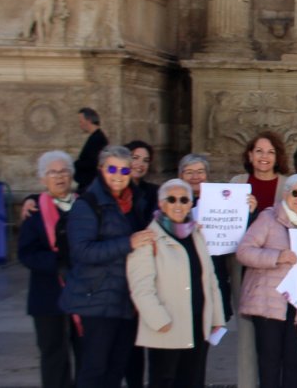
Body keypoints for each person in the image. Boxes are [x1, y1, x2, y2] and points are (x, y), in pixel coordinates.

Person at [60, 146, 154, 388]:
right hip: (97, 298)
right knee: (94, 369)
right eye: (112, 168)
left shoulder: (135, 201)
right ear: (101, 169)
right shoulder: (88, 204)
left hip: (125, 298)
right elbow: (82, 251)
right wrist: (128, 243)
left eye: (124, 169)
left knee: (116, 368)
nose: (118, 175)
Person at [127, 179, 225, 388]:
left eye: (184, 199)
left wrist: (217, 317)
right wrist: (159, 320)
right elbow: (141, 287)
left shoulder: (197, 235)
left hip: (197, 323)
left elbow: (210, 279)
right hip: (167, 326)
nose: (178, 204)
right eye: (172, 199)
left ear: (191, 204)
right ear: (162, 204)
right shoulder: (149, 238)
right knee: (164, 380)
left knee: (192, 380)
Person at [237, 174, 297, 388]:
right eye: (295, 193)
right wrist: (277, 257)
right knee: (270, 366)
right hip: (269, 305)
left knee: (295, 365)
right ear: (286, 193)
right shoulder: (268, 218)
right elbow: (244, 252)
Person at [18, 151, 80, 388]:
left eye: (64, 170)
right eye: (52, 172)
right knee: (53, 353)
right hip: (47, 294)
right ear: (43, 179)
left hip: (82, 290)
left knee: (85, 350)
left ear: (71, 175)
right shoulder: (34, 213)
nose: (59, 176)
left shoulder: (83, 205)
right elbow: (27, 253)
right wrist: (58, 263)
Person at [178, 154, 234, 319]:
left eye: (200, 171)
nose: (195, 177)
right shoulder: (173, 201)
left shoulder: (221, 200)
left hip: (213, 271)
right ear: (180, 176)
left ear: (207, 175)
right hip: (183, 273)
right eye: (189, 172)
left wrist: (248, 210)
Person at [123, 139, 157, 388]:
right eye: (135, 157)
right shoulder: (109, 193)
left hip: (148, 271)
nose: (140, 164)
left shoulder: (153, 192)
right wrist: (33, 197)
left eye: (145, 160)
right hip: (121, 273)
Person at [230, 132, 289, 215]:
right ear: (250, 156)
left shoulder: (288, 186)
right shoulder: (237, 182)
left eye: (271, 152)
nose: (264, 156)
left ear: (277, 158)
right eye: (259, 151)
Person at [74, 107, 109, 191]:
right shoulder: (96, 137)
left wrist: (76, 163)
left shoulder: (97, 138)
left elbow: (92, 162)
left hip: (90, 184)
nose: (80, 124)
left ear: (88, 120)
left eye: (81, 121)